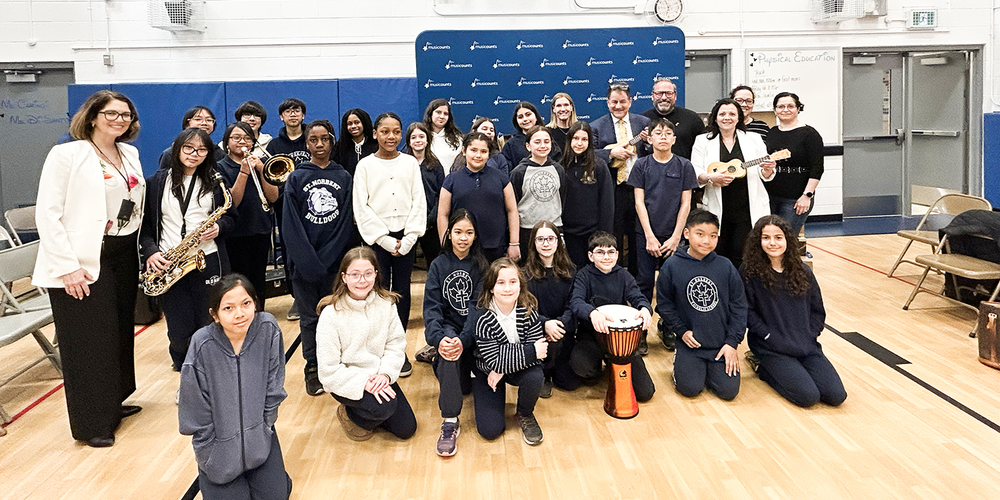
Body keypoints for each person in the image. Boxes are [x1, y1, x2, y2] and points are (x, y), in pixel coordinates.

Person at [33, 89, 145, 448]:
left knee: (116, 333)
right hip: (83, 259)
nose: (119, 120)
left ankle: (112, 402)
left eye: (125, 115)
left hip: (123, 253)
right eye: (111, 113)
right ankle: (91, 422)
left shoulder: (129, 152)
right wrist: (67, 267)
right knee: (87, 343)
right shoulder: (67, 154)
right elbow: (47, 214)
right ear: (93, 116)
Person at [178, 274, 291, 498]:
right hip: (218, 450)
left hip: (259, 440)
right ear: (215, 315)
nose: (239, 314)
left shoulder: (268, 328)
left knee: (277, 495)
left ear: (255, 304)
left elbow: (274, 385)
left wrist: (265, 426)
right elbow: (194, 407)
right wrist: (209, 448)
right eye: (228, 308)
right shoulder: (202, 343)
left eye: (246, 304)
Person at [140, 128, 236, 374]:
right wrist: (151, 252)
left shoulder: (216, 181)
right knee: (179, 324)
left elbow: (232, 218)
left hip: (207, 259)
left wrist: (218, 227)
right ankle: (184, 368)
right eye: (189, 148)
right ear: (177, 149)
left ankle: (213, 368)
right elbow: (145, 227)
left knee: (208, 318)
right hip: (169, 262)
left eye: (202, 150)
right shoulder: (156, 182)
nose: (195, 154)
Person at [741, 215, 847, 407]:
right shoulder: (749, 272)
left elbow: (817, 311)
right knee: (808, 397)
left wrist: (810, 334)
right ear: (758, 241)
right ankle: (763, 367)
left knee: (836, 396)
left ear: (788, 240)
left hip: (805, 345)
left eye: (778, 237)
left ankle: (794, 369)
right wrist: (767, 336)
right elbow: (747, 312)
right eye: (766, 238)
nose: (772, 243)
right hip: (772, 347)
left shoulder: (803, 271)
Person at [282, 119, 355, 396]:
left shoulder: (343, 176)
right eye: (314, 140)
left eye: (325, 139)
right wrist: (309, 262)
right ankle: (312, 367)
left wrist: (329, 259)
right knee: (309, 318)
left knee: (340, 315)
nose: (320, 144)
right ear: (307, 144)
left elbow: (346, 222)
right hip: (305, 265)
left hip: (336, 265)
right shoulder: (297, 178)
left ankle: (337, 364)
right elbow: (291, 226)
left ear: (332, 141)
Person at [316, 247, 417, 441]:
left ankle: (373, 411)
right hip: (349, 380)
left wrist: (385, 374)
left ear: (376, 274)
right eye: (355, 274)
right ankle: (350, 413)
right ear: (344, 277)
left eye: (368, 274)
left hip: (379, 375)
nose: (362, 280)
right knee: (384, 408)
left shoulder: (386, 303)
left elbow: (395, 344)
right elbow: (328, 371)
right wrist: (364, 383)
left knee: (407, 429)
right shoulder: (330, 314)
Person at [353, 112, 426, 376]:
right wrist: (383, 239)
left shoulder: (409, 163)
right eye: (385, 131)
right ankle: (378, 348)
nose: (391, 137)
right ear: (375, 134)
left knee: (402, 290)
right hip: (378, 240)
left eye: (396, 131)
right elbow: (361, 207)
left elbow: (419, 200)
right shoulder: (365, 166)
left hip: (405, 236)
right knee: (378, 291)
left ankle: (399, 346)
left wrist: (409, 238)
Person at [656, 210, 747, 401]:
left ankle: (710, 370)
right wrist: (681, 331)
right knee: (689, 389)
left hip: (720, 345)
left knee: (728, 392)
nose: (707, 241)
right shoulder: (671, 266)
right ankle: (682, 362)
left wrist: (732, 343)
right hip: (691, 344)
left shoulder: (726, 266)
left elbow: (739, 307)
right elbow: (664, 305)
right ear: (687, 233)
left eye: (713, 236)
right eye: (700, 234)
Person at [629, 118, 698, 353]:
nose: (663, 137)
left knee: (671, 284)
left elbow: (686, 203)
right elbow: (639, 202)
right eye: (658, 133)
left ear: (674, 139)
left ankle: (669, 326)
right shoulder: (641, 165)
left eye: (668, 133)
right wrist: (649, 235)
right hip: (646, 234)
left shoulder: (684, 166)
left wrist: (677, 237)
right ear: (650, 138)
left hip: (674, 236)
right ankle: (640, 331)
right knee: (645, 282)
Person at [422, 209, 488, 456]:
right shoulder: (439, 265)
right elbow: (432, 308)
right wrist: (440, 339)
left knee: (472, 393)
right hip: (450, 330)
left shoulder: (482, 265)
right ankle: (450, 421)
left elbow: (478, 308)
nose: (463, 238)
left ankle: (445, 363)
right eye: (458, 232)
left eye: (469, 233)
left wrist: (465, 338)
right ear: (449, 234)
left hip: (476, 334)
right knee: (448, 352)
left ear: (475, 236)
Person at [466, 257, 547, 445]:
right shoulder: (482, 317)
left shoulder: (529, 310)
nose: (508, 288)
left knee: (535, 376)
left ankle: (525, 413)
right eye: (500, 283)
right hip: (487, 372)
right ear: (491, 288)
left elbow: (540, 355)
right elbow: (495, 360)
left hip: (500, 370)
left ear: (520, 285)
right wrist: (528, 351)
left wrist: (501, 367)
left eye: (513, 282)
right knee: (490, 430)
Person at [568, 231, 654, 402]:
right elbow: (576, 302)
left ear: (617, 255)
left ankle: (613, 363)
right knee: (582, 367)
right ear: (591, 256)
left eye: (611, 252)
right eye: (600, 252)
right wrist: (592, 313)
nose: (606, 257)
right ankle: (599, 367)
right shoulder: (583, 275)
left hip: (620, 341)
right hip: (592, 336)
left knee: (645, 393)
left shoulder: (623, 275)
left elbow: (638, 297)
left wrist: (645, 309)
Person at [691, 98, 776, 270]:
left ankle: (742, 293)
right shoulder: (703, 140)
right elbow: (696, 172)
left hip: (747, 207)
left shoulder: (754, 138)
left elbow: (764, 173)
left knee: (743, 254)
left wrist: (768, 170)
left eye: (732, 114)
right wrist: (711, 178)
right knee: (718, 253)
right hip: (717, 207)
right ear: (715, 117)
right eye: (722, 114)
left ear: (739, 118)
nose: (727, 117)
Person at [216, 122, 278, 311]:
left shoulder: (260, 164)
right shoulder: (221, 167)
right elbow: (232, 202)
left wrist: (261, 169)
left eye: (247, 138)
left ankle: (259, 317)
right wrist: (244, 172)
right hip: (235, 234)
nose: (242, 142)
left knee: (258, 281)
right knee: (238, 282)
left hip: (259, 229)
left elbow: (273, 196)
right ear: (227, 142)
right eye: (236, 138)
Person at [591, 82, 650, 276]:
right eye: (614, 102)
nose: (618, 106)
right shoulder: (596, 127)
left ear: (630, 102)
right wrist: (611, 154)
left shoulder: (643, 123)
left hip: (639, 189)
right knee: (613, 235)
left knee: (638, 237)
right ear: (608, 103)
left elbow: (652, 151)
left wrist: (649, 143)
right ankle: (613, 276)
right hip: (613, 190)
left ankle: (636, 279)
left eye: (622, 102)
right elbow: (589, 154)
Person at [439, 132, 521, 262]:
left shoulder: (501, 178)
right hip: (462, 248)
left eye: (483, 151)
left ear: (489, 154)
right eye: (473, 150)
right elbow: (443, 214)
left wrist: (514, 243)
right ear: (464, 151)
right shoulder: (451, 180)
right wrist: (446, 245)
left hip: (495, 247)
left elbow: (512, 211)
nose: (478, 155)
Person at [524, 221, 578, 397]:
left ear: (558, 242)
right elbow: (524, 309)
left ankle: (557, 367)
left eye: (550, 239)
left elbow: (573, 304)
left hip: (562, 331)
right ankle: (543, 372)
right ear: (533, 243)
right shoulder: (524, 274)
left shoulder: (571, 271)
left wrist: (559, 325)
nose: (546, 243)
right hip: (537, 333)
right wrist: (545, 324)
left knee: (570, 383)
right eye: (540, 239)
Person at [765, 92, 825, 236]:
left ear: (798, 109)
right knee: (770, 236)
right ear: (775, 110)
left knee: (787, 238)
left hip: (796, 198)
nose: (785, 109)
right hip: (771, 195)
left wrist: (807, 195)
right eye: (781, 106)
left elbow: (817, 168)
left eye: (790, 106)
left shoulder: (809, 134)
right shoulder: (772, 132)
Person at [509, 125, 569, 259]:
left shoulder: (558, 169)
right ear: (528, 146)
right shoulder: (519, 172)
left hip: (555, 229)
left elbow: (563, 199)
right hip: (527, 231)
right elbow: (513, 205)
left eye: (546, 141)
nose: (542, 145)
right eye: (537, 142)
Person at [560, 121, 614, 269]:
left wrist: (604, 235)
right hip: (568, 235)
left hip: (593, 234)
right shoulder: (560, 166)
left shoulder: (599, 166)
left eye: (584, 139)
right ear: (569, 140)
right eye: (576, 138)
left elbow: (607, 202)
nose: (579, 143)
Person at [404, 121, 445, 265]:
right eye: (414, 137)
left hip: (431, 224)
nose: (418, 140)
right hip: (407, 224)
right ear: (409, 141)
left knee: (434, 262)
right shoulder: (403, 163)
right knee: (405, 264)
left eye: (421, 136)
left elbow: (442, 194)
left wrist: (430, 219)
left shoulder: (435, 165)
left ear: (427, 140)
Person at [641, 78, 704, 160]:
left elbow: (703, 148)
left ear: (675, 96)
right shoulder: (642, 120)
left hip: (685, 170)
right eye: (659, 93)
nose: (663, 97)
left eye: (668, 93)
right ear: (652, 96)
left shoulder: (692, 119)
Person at [156, 106, 223, 170]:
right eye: (198, 119)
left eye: (209, 120)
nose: (204, 123)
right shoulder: (171, 153)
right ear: (187, 124)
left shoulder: (218, 153)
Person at [501, 102, 561, 170]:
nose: (525, 119)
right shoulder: (511, 145)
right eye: (520, 117)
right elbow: (505, 171)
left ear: (536, 117)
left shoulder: (548, 138)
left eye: (528, 114)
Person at [332, 108, 378, 176]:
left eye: (357, 122)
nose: (353, 126)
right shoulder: (340, 148)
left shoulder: (376, 146)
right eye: (349, 124)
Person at [265, 98, 310, 166]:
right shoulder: (274, 145)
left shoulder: (312, 140)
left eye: (297, 111)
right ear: (281, 117)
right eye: (288, 111)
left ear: (303, 115)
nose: (293, 115)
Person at [423, 98, 464, 171]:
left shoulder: (458, 139)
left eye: (445, 114)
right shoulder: (422, 138)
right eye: (438, 112)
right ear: (430, 114)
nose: (442, 116)